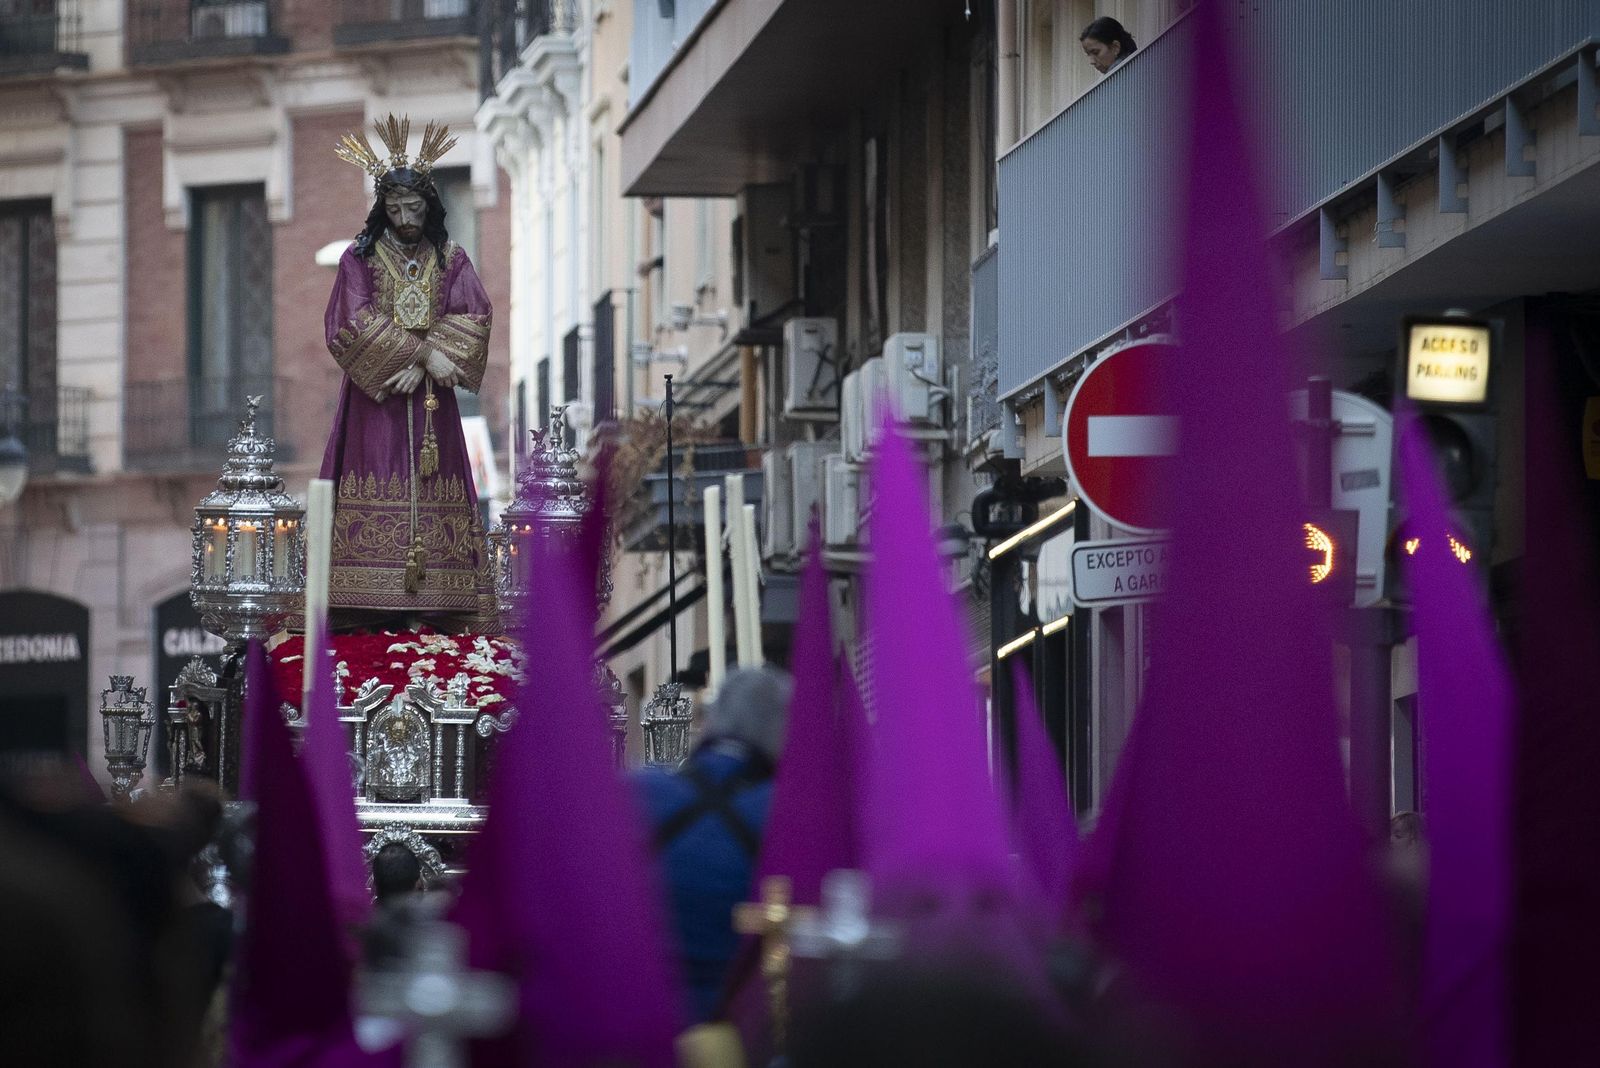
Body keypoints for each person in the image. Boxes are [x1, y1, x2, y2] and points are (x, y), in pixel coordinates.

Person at [325, 115, 496, 633]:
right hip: (376, 399)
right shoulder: (359, 258)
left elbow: (475, 313)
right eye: (395, 208)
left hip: (430, 403)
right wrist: (421, 356)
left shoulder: (451, 258)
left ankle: (439, 599)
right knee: (375, 468)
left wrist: (432, 359)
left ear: (429, 205)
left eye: (413, 207)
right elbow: (348, 320)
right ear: (383, 208)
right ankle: (366, 599)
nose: (404, 218)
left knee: (435, 481)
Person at [636, 666, 792, 1020]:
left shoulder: (637, 791)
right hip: (745, 1019)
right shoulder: (789, 811)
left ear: (710, 720)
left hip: (643, 1013)